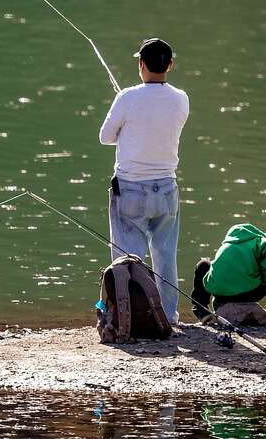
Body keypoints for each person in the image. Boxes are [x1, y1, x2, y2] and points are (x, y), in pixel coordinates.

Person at [99, 37, 190, 323]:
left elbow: (105, 137)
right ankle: (168, 315)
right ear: (170, 65)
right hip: (166, 189)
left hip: (130, 189)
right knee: (166, 256)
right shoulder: (181, 98)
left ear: (141, 64)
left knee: (129, 258)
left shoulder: (127, 97)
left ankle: (133, 318)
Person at [190, 223, 266, 322]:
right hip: (247, 294)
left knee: (204, 264)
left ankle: (201, 310)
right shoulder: (263, 242)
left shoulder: (226, 246)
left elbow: (218, 275)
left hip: (220, 298)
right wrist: (265, 280)